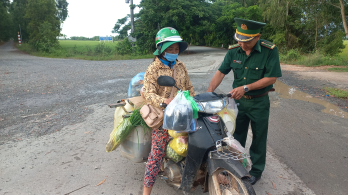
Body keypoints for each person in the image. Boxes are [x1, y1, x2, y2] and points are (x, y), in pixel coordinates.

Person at [207, 18, 282, 185]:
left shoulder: (269, 50)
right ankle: (235, 166)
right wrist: (208, 93)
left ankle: (256, 171)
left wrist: (246, 88)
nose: (242, 44)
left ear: (257, 37)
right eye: (239, 40)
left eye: (246, 41)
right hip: (238, 103)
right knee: (234, 135)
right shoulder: (234, 51)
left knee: (259, 137)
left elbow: (271, 78)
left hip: (259, 102)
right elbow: (220, 73)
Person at [142, 27, 195, 195]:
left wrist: (195, 101)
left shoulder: (180, 66)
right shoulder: (153, 68)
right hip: (164, 117)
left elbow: (188, 87)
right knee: (156, 155)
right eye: (170, 48)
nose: (174, 51)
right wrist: (163, 101)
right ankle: (146, 192)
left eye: (176, 48)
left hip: (183, 114)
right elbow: (148, 93)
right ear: (161, 49)